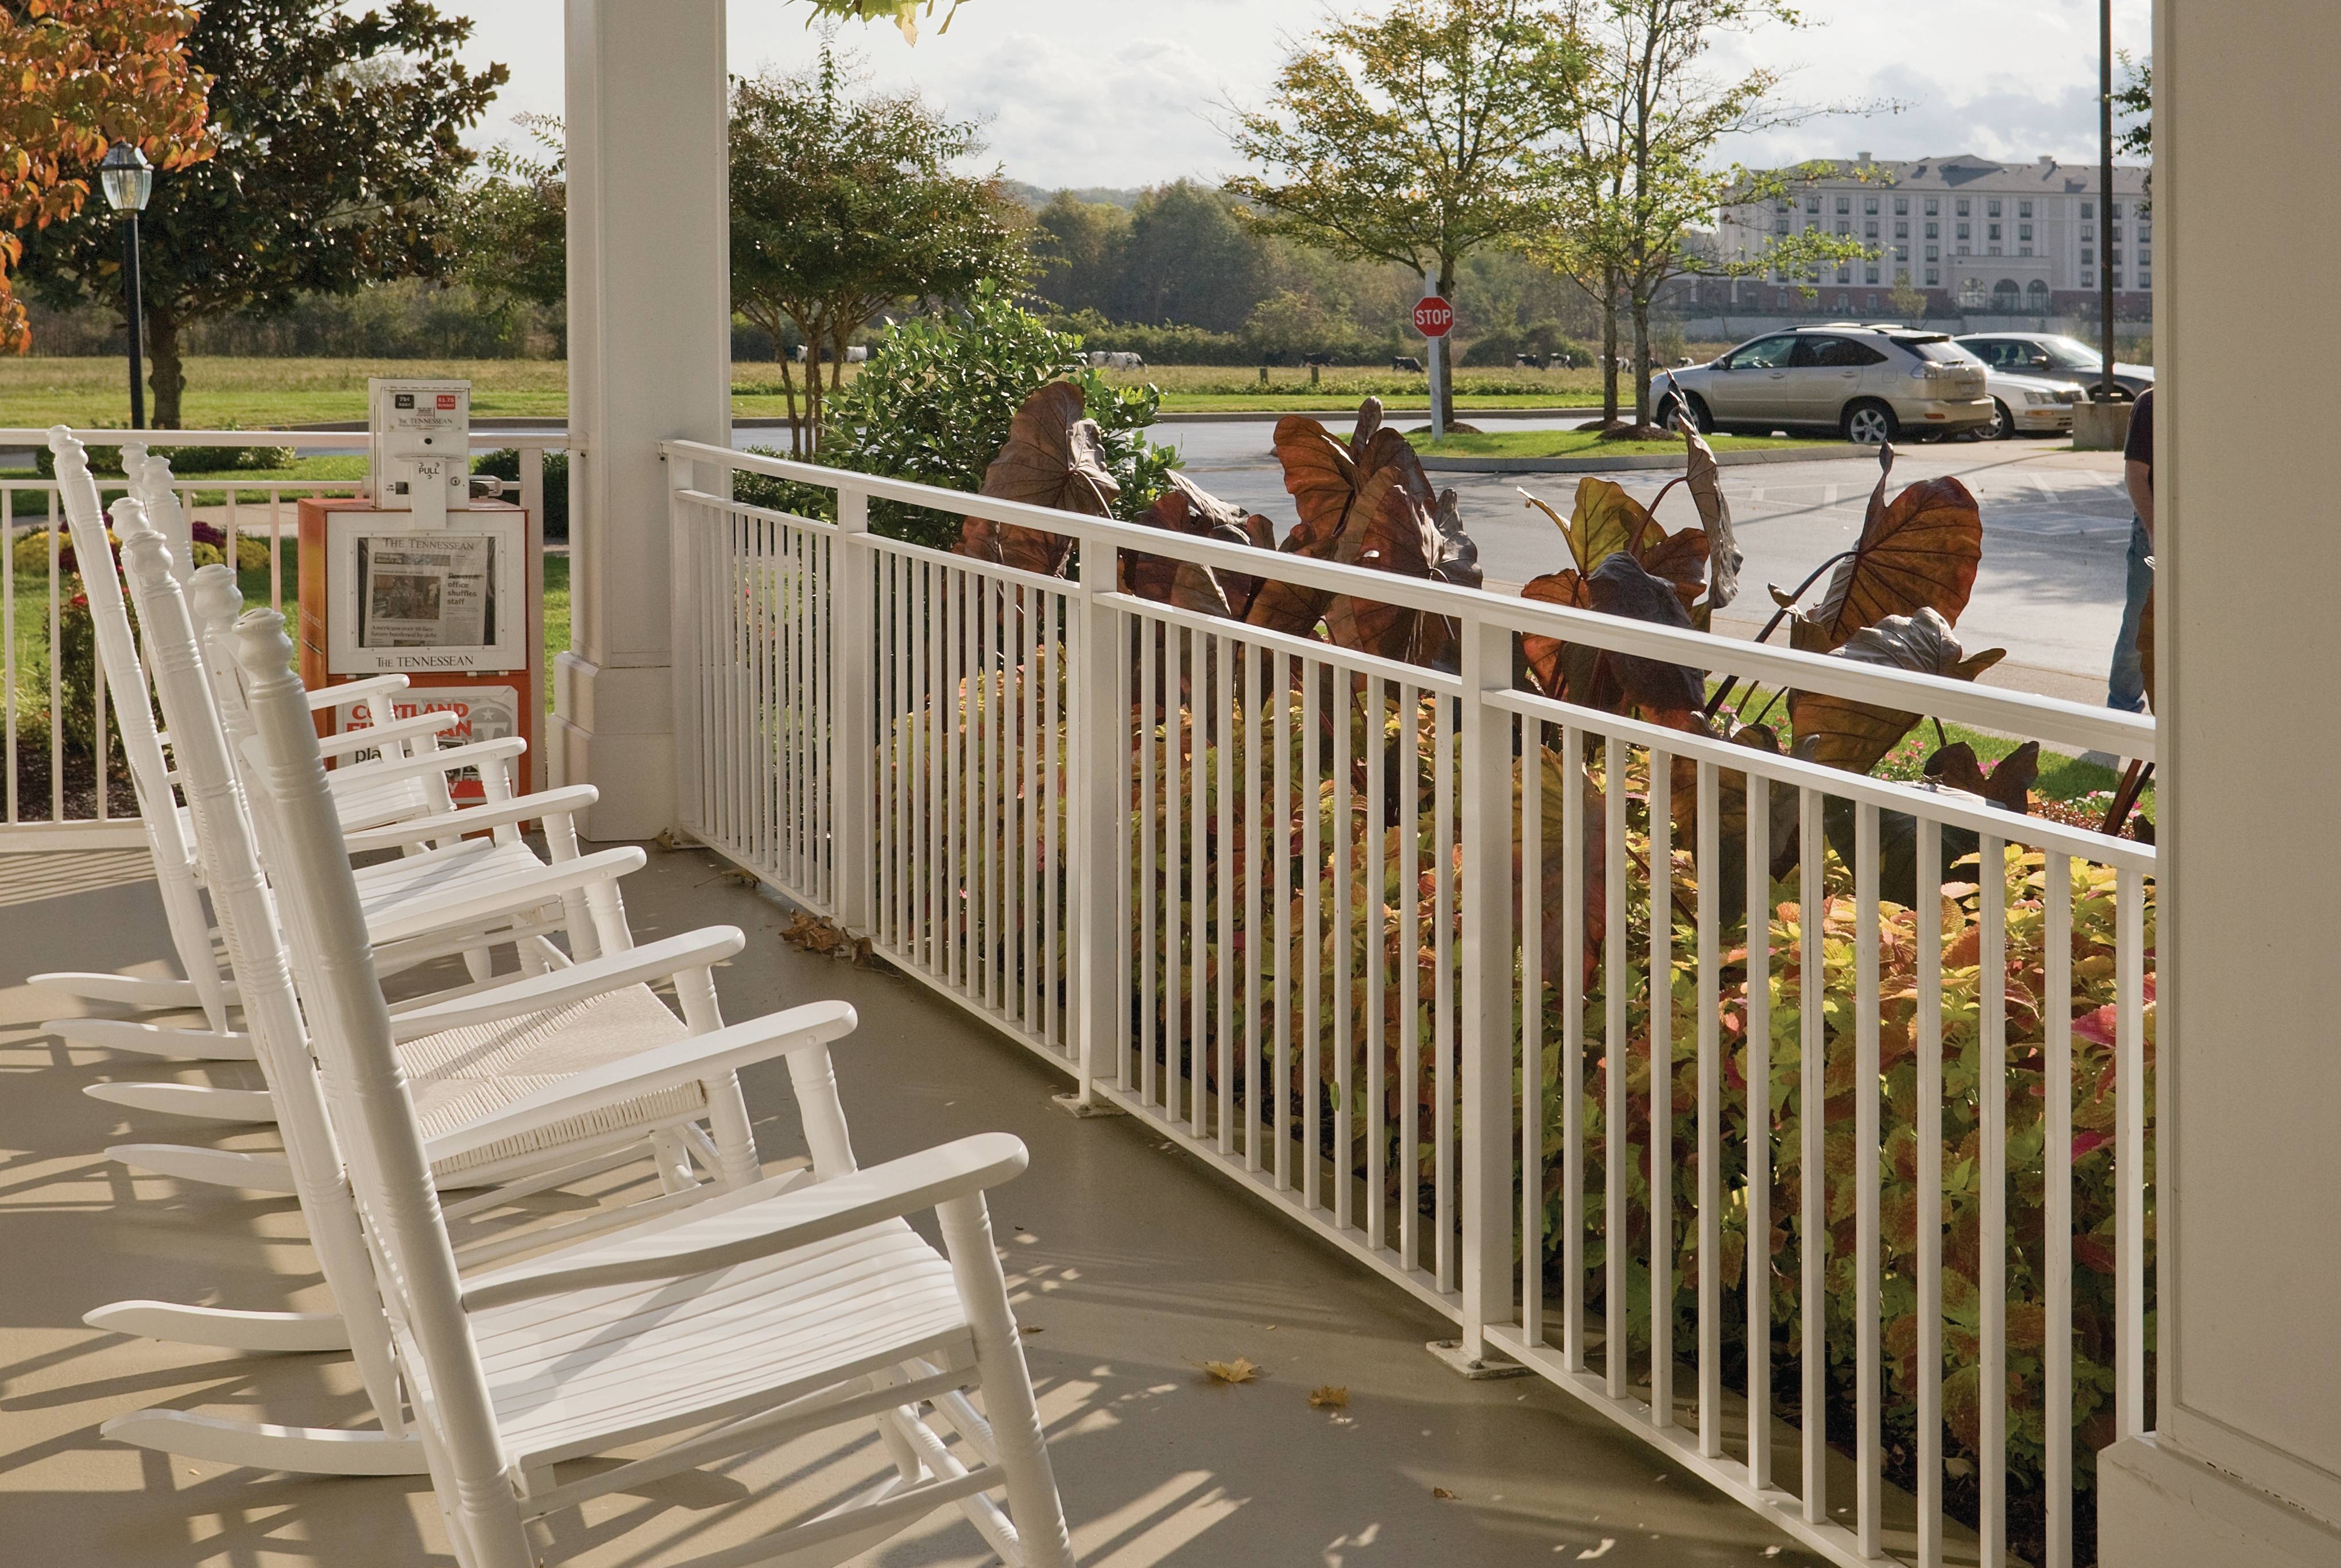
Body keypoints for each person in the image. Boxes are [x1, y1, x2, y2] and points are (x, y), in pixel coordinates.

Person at [2108, 384, 2154, 712]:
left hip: (2203, 529)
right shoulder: (2151, 403)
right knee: (2139, 623)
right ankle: (2122, 709)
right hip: (2155, 527)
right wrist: (2154, 528)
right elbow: (2136, 474)